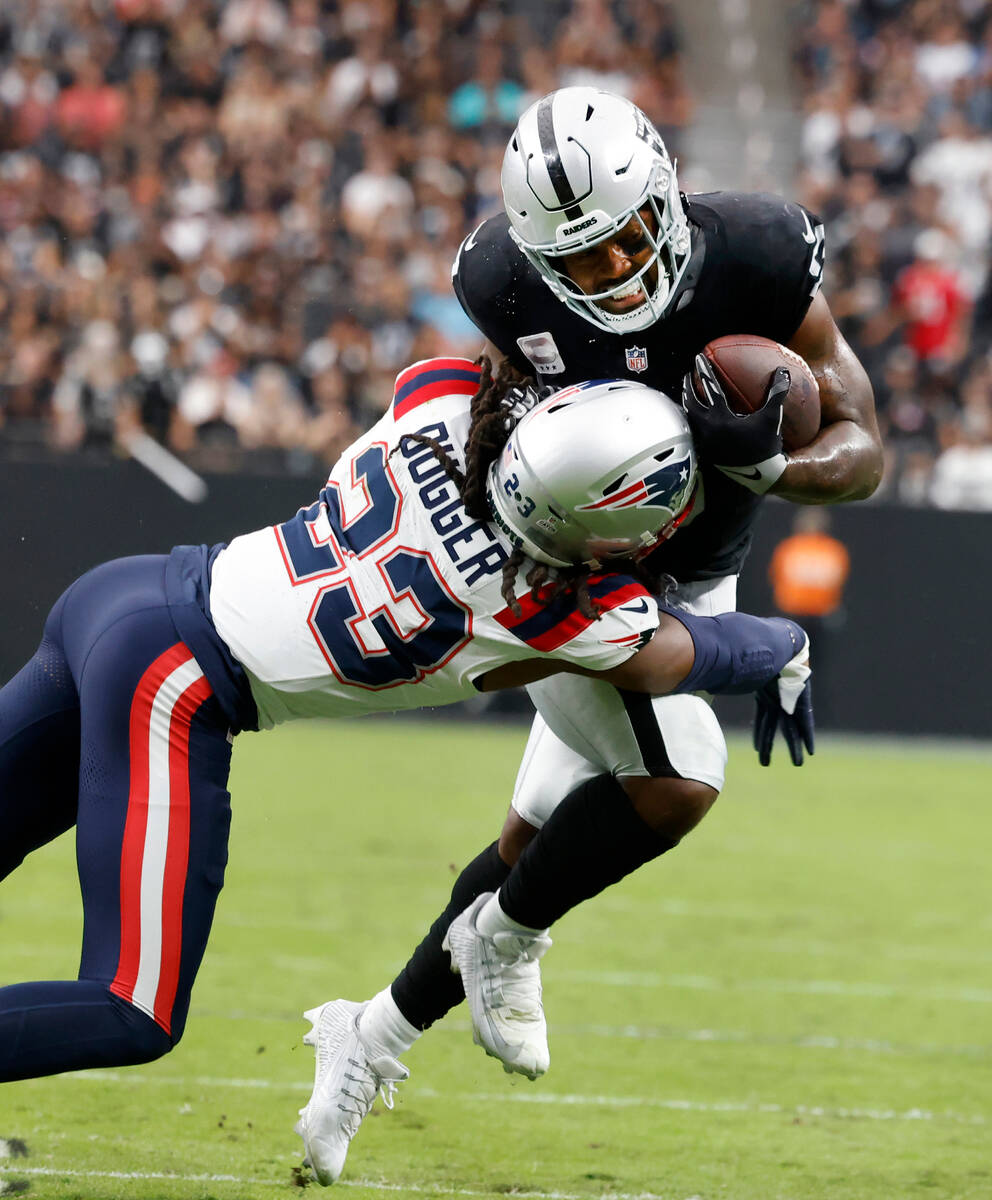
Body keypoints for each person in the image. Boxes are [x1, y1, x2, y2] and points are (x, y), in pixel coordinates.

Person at [297, 86, 879, 1186]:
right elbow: (487, 430)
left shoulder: (753, 251)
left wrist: (772, 470)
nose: (610, 277)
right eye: (583, 263)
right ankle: (506, 944)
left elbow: (862, 443)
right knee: (676, 783)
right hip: (576, 579)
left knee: (533, 852)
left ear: (661, 197)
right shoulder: (502, 284)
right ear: (533, 255)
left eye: (622, 246)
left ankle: (366, 1038)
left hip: (698, 575)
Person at [0, 355, 813, 1089]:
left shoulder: (444, 400)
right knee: (131, 1008)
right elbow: (701, 651)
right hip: (173, 683)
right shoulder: (540, 606)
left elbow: (500, 357)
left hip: (125, 592)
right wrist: (789, 644)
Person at [768, 508, 850, 730]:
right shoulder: (830, 550)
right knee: (803, 669)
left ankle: (797, 716)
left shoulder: (791, 548)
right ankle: (802, 717)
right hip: (805, 616)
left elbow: (779, 580)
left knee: (798, 669)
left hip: (803, 616)